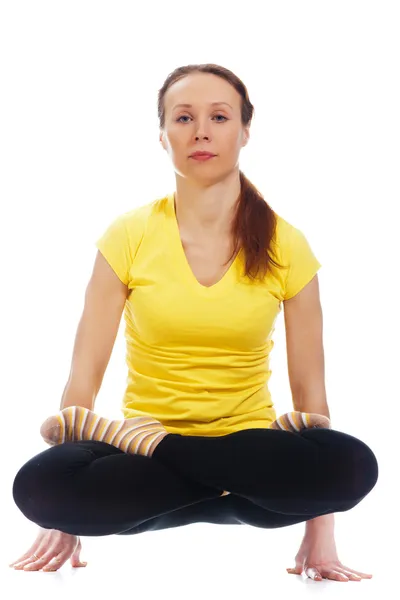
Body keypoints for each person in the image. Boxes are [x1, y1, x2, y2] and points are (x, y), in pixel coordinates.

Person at [10, 63, 378, 581]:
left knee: (353, 464)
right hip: (142, 479)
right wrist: (63, 515)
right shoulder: (129, 235)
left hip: (248, 462)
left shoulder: (286, 244)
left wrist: (321, 531)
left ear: (245, 131)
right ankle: (161, 448)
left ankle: (164, 447)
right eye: (183, 117)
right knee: (39, 485)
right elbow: (85, 373)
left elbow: (311, 395)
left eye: (219, 116)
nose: (201, 131)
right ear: (163, 135)